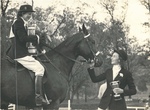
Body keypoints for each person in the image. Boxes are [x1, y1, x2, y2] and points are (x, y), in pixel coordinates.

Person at [7, 4, 49, 106]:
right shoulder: (18, 23)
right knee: (40, 69)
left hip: (22, 52)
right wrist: (36, 37)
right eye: (28, 14)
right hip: (19, 54)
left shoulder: (23, 23)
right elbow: (22, 38)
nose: (29, 16)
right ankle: (38, 97)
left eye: (30, 14)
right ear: (22, 13)